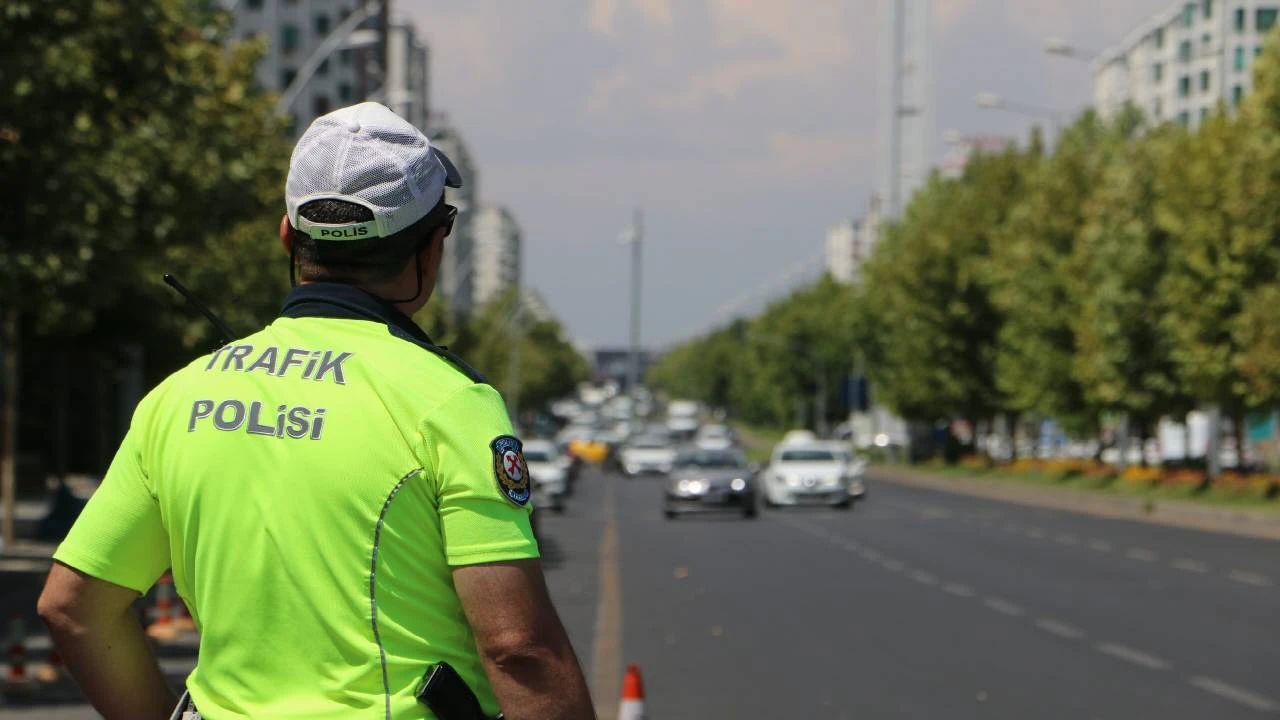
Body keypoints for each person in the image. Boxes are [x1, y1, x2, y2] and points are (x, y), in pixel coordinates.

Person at [37, 102, 595, 720]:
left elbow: (73, 607)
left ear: (287, 237)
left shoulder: (176, 399)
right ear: (433, 247)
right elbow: (519, 648)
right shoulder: (451, 403)